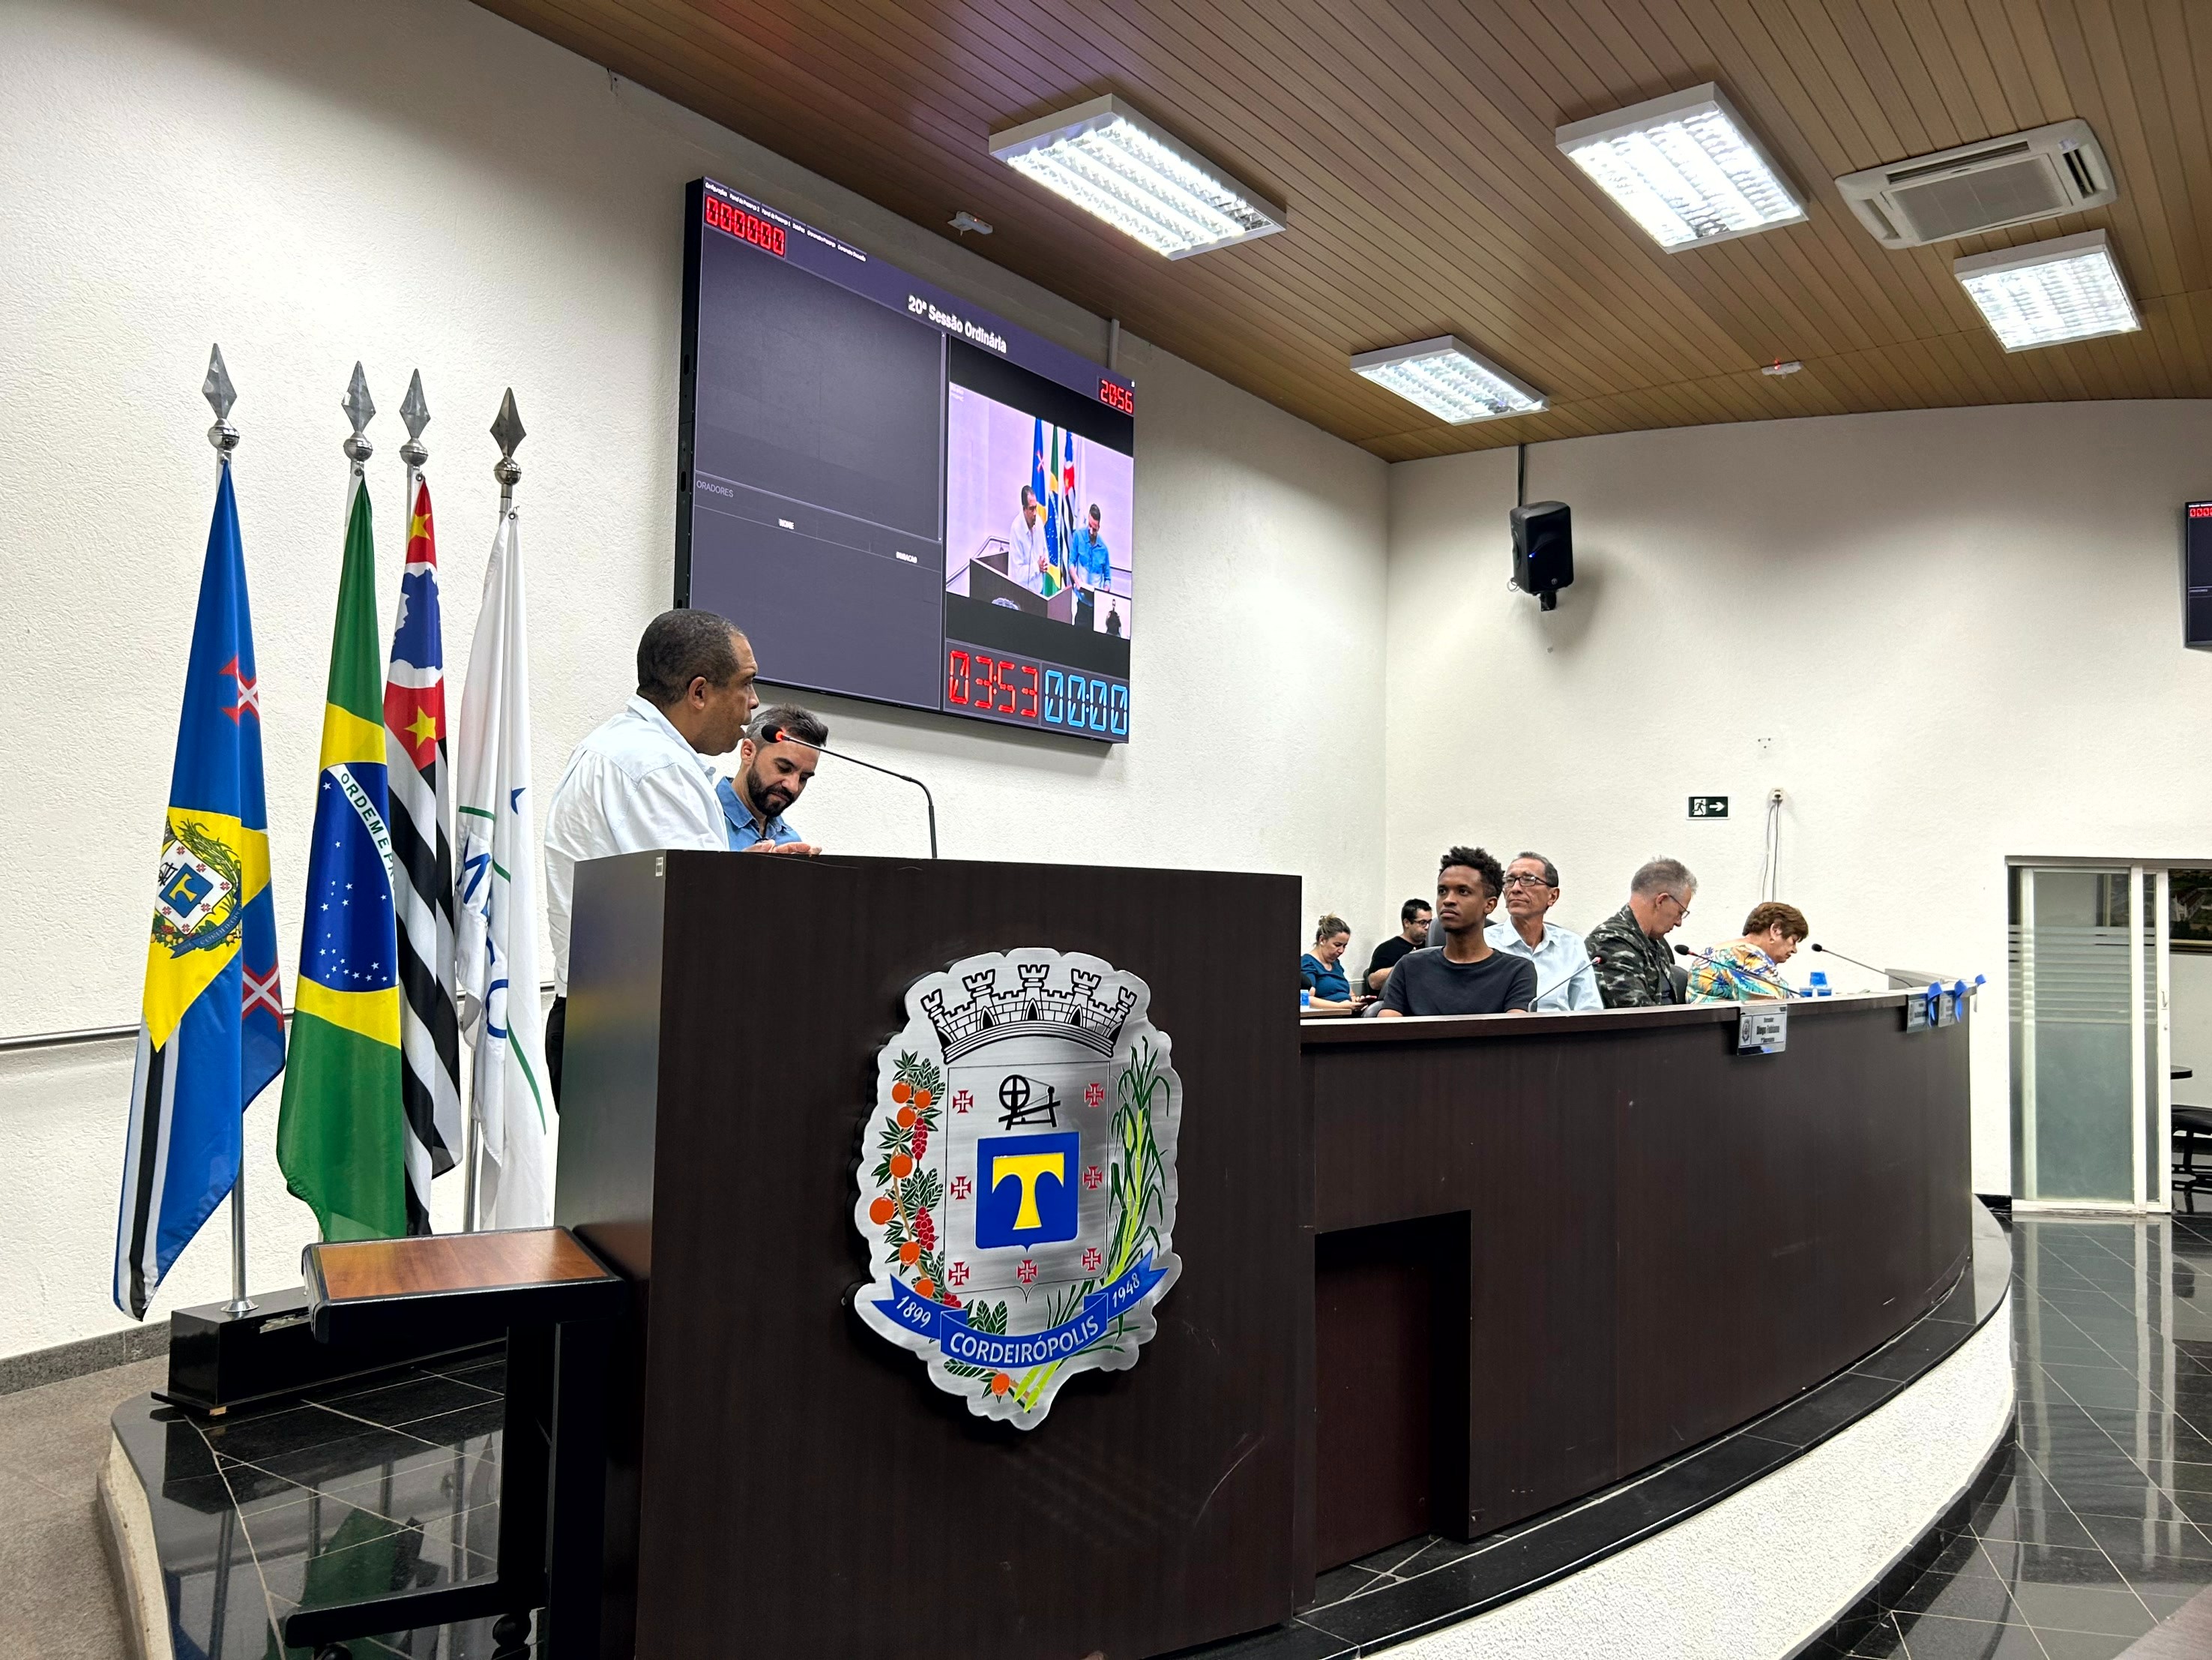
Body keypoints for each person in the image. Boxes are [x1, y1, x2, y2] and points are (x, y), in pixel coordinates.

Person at [544, 609, 760, 1102]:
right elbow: (700, 919)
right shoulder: (655, 767)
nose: (753, 703)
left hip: (607, 1023)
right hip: (635, 1034)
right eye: (746, 684)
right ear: (699, 692)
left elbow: (663, 891)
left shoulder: (621, 746)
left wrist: (751, 870)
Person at [1378, 847, 1537, 1017]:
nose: (1448, 900)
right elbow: (1387, 1028)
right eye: (1442, 891)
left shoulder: (1517, 971)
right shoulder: (1409, 966)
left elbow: (1513, 1031)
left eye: (1463, 891)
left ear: (1489, 905)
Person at [1486, 852, 1602, 1012]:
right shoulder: (1485, 943)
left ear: (1552, 896)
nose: (1515, 889)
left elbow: (1590, 1010)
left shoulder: (1571, 945)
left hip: (1561, 1027)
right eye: (1510, 881)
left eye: (1528, 880)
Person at [1584, 858, 1697, 1008]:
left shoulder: (1653, 943)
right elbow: (1636, 1012)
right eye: (1680, 912)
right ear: (1661, 901)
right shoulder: (1611, 942)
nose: (1679, 922)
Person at [718, 704, 827, 853]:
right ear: (748, 752)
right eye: (784, 768)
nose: (793, 787)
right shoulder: (702, 819)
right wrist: (738, 865)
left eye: (803, 778)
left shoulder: (790, 842)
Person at [1688, 901, 1808, 1002]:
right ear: (1775, 930)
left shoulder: (1727, 950)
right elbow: (1773, 1006)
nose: (1795, 950)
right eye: (1793, 940)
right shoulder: (1744, 955)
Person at [1300, 915, 1365, 1014]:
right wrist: (1339, 1006)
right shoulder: (1307, 963)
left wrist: (1357, 1002)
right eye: (1337, 945)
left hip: (1348, 1013)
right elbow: (1307, 999)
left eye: (1344, 946)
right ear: (1322, 940)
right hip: (1327, 1016)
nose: (1341, 951)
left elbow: (1351, 994)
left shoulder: (1336, 963)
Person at [1365, 897, 1432, 993]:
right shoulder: (1386, 949)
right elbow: (1374, 983)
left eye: (1430, 922)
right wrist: (1406, 964)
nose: (1428, 927)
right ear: (1407, 923)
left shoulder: (1431, 947)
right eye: (1423, 923)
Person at [1069, 503, 1112, 629]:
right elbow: (1071, 563)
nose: (1091, 531)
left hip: (1097, 607)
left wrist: (1105, 591)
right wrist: (1076, 580)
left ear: (1099, 527)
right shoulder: (1078, 536)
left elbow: (1108, 579)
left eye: (1095, 529)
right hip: (1082, 603)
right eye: (1090, 526)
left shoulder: (1104, 549)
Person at [1006, 486, 1046, 595]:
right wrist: (1037, 567)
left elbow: (1044, 550)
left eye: (1036, 508)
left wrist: (1045, 561)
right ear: (1024, 509)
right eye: (1031, 509)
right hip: (1022, 593)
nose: (1035, 513)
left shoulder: (1039, 522)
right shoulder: (1016, 529)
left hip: (1039, 591)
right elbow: (1018, 574)